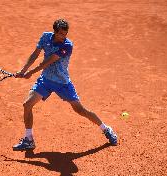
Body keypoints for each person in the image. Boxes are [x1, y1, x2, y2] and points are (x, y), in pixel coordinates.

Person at [13, 19, 117, 151]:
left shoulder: (67, 45)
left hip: (62, 83)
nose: (64, 37)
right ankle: (29, 140)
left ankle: (106, 129)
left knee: (80, 110)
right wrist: (23, 70)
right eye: (61, 34)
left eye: (65, 34)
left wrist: (30, 73)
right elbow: (35, 54)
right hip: (45, 80)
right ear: (54, 32)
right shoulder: (45, 36)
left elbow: (47, 62)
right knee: (27, 104)